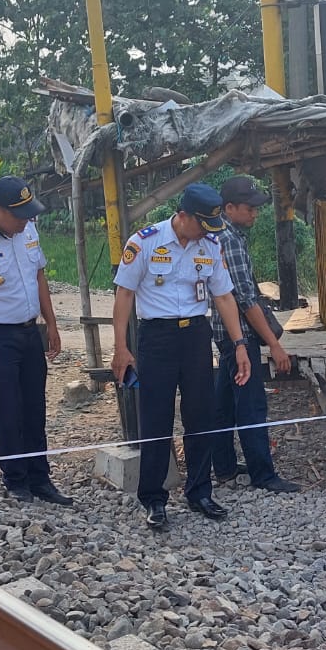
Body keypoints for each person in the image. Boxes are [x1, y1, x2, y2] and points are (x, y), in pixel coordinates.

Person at [111, 183, 252, 530]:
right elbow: (124, 294)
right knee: (156, 418)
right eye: (201, 223)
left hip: (195, 336)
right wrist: (120, 347)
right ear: (183, 215)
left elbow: (224, 297)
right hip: (156, 337)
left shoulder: (211, 244)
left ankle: (199, 492)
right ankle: (154, 499)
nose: (206, 230)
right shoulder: (144, 242)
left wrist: (240, 344)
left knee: (200, 415)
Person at [0, 176, 72, 506]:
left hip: (28, 332)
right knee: (7, 411)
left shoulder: (27, 230)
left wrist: (51, 324)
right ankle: (16, 480)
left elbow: (39, 276)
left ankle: (40, 478)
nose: (25, 220)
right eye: (18, 215)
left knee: (35, 408)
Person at [209, 175, 301, 494]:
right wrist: (274, 344)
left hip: (223, 334)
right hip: (239, 336)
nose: (255, 214)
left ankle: (223, 466)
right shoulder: (229, 240)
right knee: (251, 405)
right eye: (250, 209)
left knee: (223, 404)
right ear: (230, 208)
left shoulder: (225, 234)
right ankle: (263, 474)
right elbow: (246, 300)